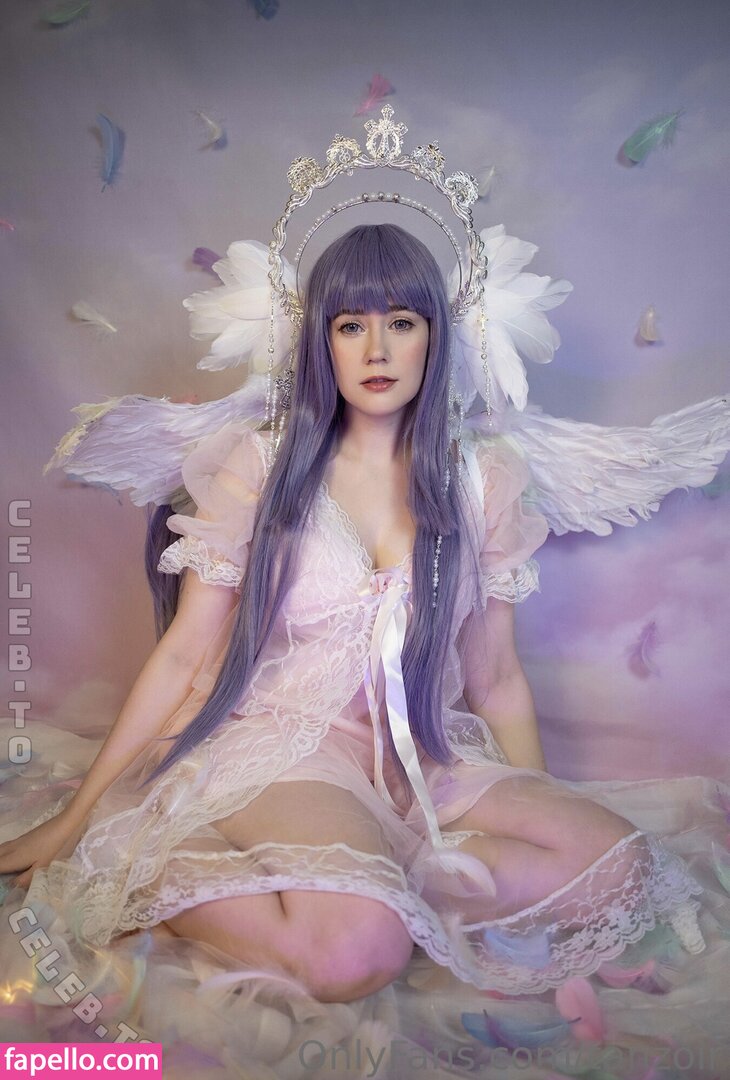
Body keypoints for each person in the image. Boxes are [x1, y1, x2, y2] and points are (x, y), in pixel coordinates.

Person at [0, 223, 706, 1005]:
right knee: (354, 956)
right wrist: (76, 819)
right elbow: (185, 656)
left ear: (433, 337)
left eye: (401, 322)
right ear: (321, 341)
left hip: (421, 759)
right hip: (290, 748)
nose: (377, 349)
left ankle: (380, 880)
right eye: (350, 325)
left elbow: (496, 679)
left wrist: (532, 802)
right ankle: (168, 878)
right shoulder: (263, 466)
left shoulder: (481, 481)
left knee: (616, 869)